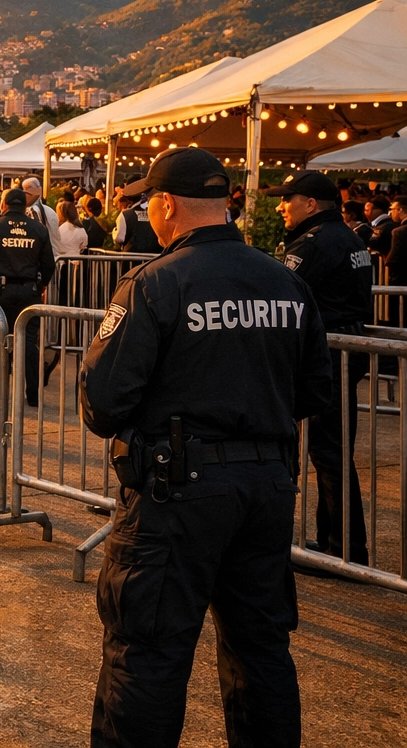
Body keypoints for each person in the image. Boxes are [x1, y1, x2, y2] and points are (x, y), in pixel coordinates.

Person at [78, 147, 331, 748]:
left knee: (148, 653)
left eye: (150, 202)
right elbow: (314, 389)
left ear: (166, 205)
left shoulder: (154, 284)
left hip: (177, 492)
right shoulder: (285, 282)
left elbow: (103, 403)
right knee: (260, 648)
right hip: (266, 488)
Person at [275, 169, 374, 563]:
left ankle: (346, 548)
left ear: (310, 204)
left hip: (328, 354)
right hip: (345, 350)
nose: (283, 206)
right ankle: (333, 539)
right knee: (334, 449)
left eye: (288, 199)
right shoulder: (350, 237)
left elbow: (283, 293)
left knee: (329, 453)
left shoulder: (312, 244)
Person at [0, 187, 56, 405]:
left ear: (4, 205)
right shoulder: (39, 229)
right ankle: (33, 394)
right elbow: (48, 264)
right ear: (25, 206)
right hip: (29, 291)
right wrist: (42, 284)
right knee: (28, 343)